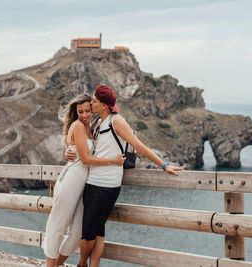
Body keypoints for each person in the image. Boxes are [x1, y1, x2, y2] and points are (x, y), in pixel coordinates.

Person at [66, 85, 184, 267]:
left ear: (104, 105)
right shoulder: (98, 122)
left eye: (94, 101)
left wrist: (164, 165)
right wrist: (69, 150)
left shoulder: (116, 121)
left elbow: (139, 146)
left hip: (104, 186)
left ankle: (81, 264)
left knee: (88, 234)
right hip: (95, 183)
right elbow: (81, 142)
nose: (91, 103)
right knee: (98, 232)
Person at [43, 94, 125, 267]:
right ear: (76, 112)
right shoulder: (78, 126)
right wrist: (114, 161)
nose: (85, 115)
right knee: (57, 226)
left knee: (77, 233)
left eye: (88, 110)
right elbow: (86, 159)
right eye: (80, 112)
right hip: (71, 180)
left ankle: (57, 264)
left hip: (87, 184)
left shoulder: (93, 126)